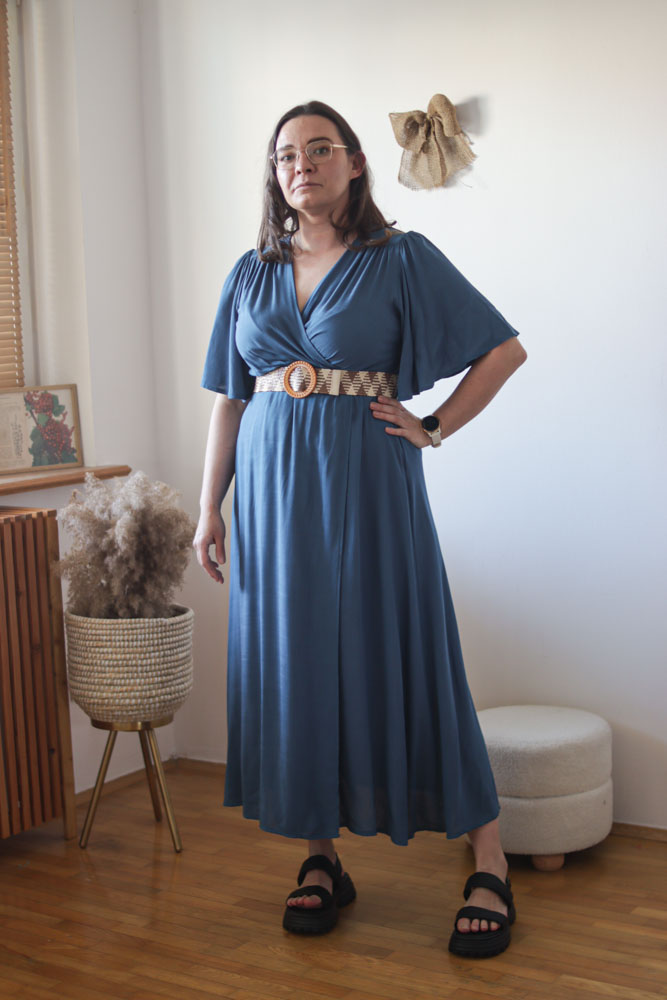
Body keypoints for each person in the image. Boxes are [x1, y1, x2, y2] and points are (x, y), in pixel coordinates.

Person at [194, 100, 526, 959]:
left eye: (318, 149)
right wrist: (208, 507)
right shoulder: (250, 272)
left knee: (411, 649)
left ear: (353, 163)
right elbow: (230, 398)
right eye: (285, 155)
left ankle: (488, 858)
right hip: (272, 500)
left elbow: (502, 351)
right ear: (274, 174)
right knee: (295, 661)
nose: (300, 165)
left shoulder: (399, 258)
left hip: (370, 485)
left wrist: (433, 425)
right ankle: (320, 857)